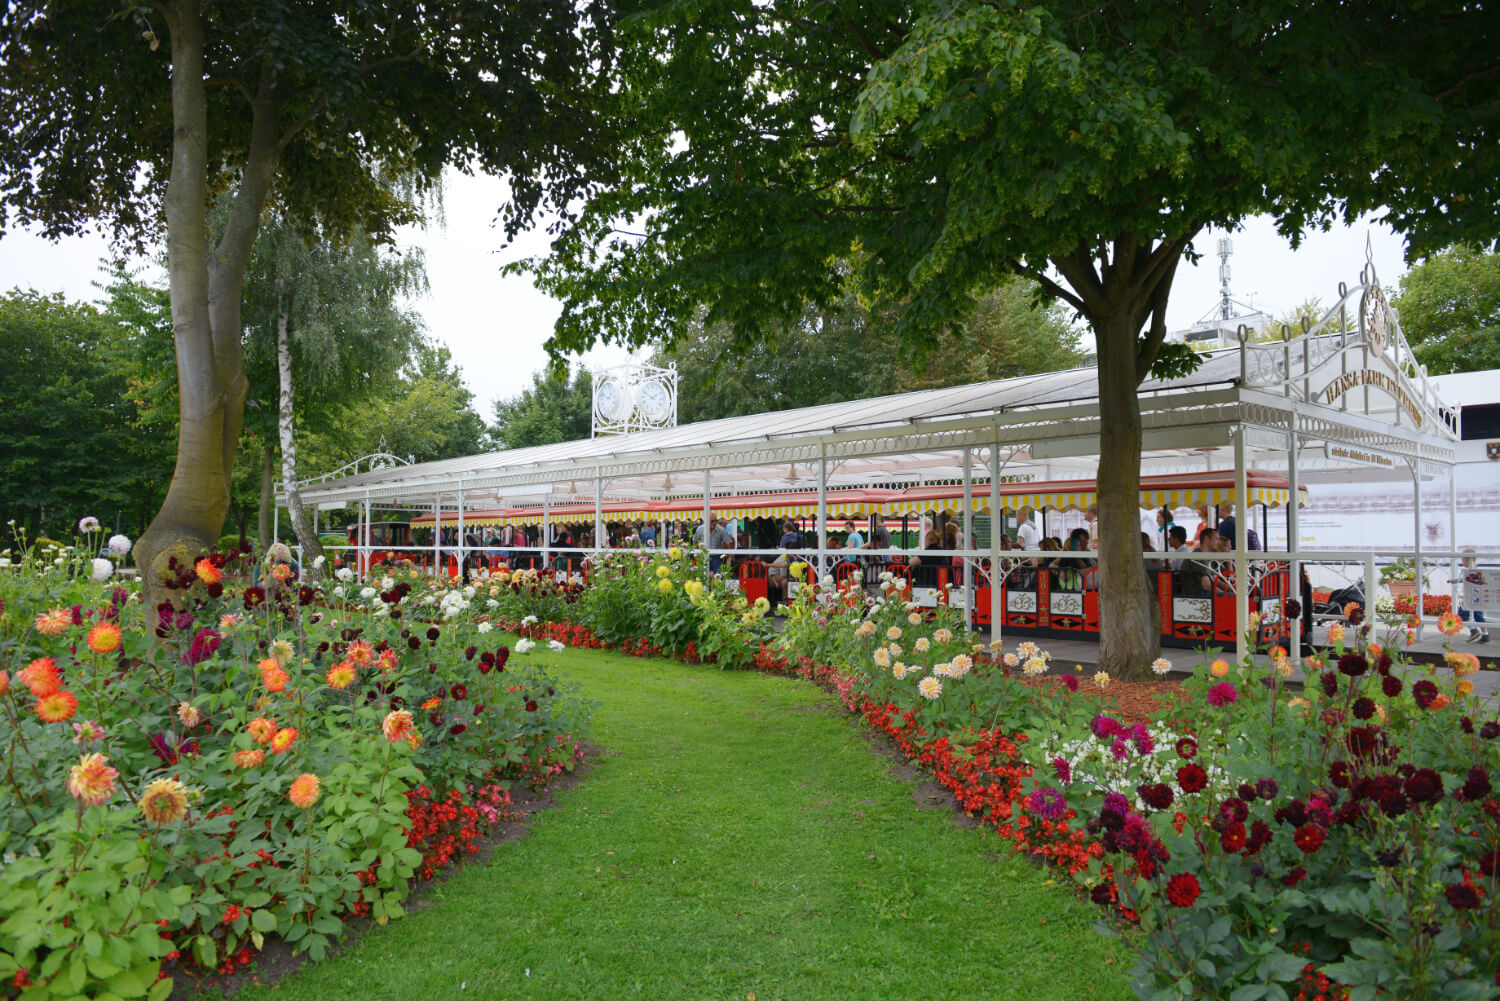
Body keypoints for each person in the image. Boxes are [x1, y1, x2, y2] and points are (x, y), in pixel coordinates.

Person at [1459, 549, 1491, 643]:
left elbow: (1465, 580)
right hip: (1478, 596)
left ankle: (1473, 630)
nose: (1461, 561)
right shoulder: (1477, 569)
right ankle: (1485, 635)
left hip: (1470, 596)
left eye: (1462, 559)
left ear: (1465, 559)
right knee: (1479, 616)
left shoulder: (1469, 570)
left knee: (1461, 614)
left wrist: (1453, 581)